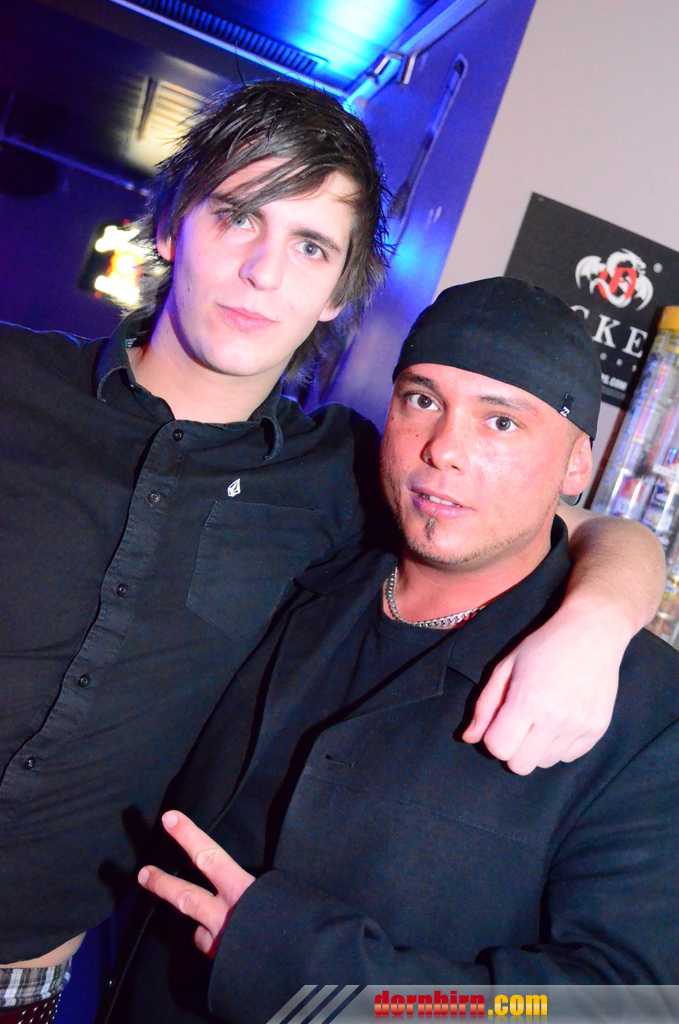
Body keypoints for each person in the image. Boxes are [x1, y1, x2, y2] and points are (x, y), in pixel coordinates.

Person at [0, 77, 665, 1020]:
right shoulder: (18, 385)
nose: (263, 271)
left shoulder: (336, 484)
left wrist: (597, 620)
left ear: (338, 293)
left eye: (309, 245)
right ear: (172, 227)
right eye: (237, 215)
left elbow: (624, 1005)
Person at [127, 279, 679, 1024]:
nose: (443, 449)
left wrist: (321, 980)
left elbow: (618, 1003)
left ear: (576, 465)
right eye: (422, 399)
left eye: (501, 422)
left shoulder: (645, 710)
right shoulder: (305, 565)